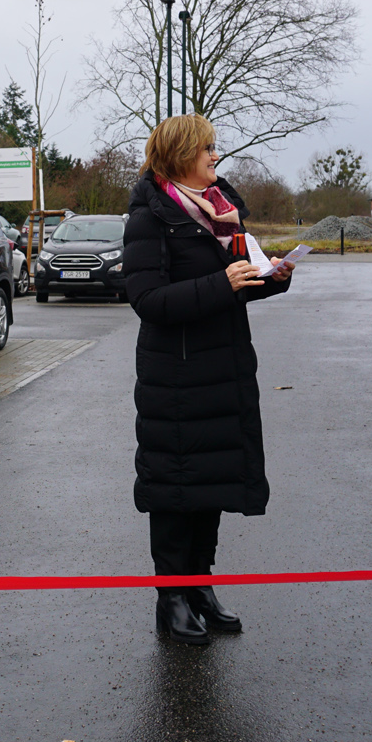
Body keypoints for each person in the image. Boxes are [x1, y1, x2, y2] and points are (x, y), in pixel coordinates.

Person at [122, 113, 292, 646]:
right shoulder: (150, 218)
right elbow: (146, 300)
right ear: (178, 157)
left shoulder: (223, 213)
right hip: (175, 376)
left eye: (215, 147)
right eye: (206, 149)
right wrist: (221, 282)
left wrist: (270, 278)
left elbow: (237, 285)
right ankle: (170, 597)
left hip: (224, 368)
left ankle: (201, 588)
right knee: (175, 489)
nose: (215, 156)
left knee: (211, 484)